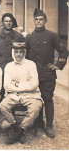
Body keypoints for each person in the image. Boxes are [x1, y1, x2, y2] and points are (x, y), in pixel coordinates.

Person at [25, 8, 68, 138]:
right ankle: (38, 125)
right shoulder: (29, 37)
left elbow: (64, 51)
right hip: (33, 76)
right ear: (33, 21)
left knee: (47, 99)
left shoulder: (52, 35)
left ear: (45, 21)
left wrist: (58, 65)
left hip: (47, 75)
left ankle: (49, 126)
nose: (38, 22)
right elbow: (25, 55)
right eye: (36, 20)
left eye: (41, 20)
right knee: (36, 99)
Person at [0, 39, 43, 145]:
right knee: (2, 106)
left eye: (21, 52)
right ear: (13, 53)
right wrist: (24, 85)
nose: (18, 54)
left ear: (24, 52)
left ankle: (22, 128)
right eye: (16, 52)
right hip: (13, 96)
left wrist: (17, 85)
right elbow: (6, 85)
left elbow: (34, 84)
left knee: (35, 107)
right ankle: (15, 127)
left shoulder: (31, 64)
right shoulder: (9, 66)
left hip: (31, 95)